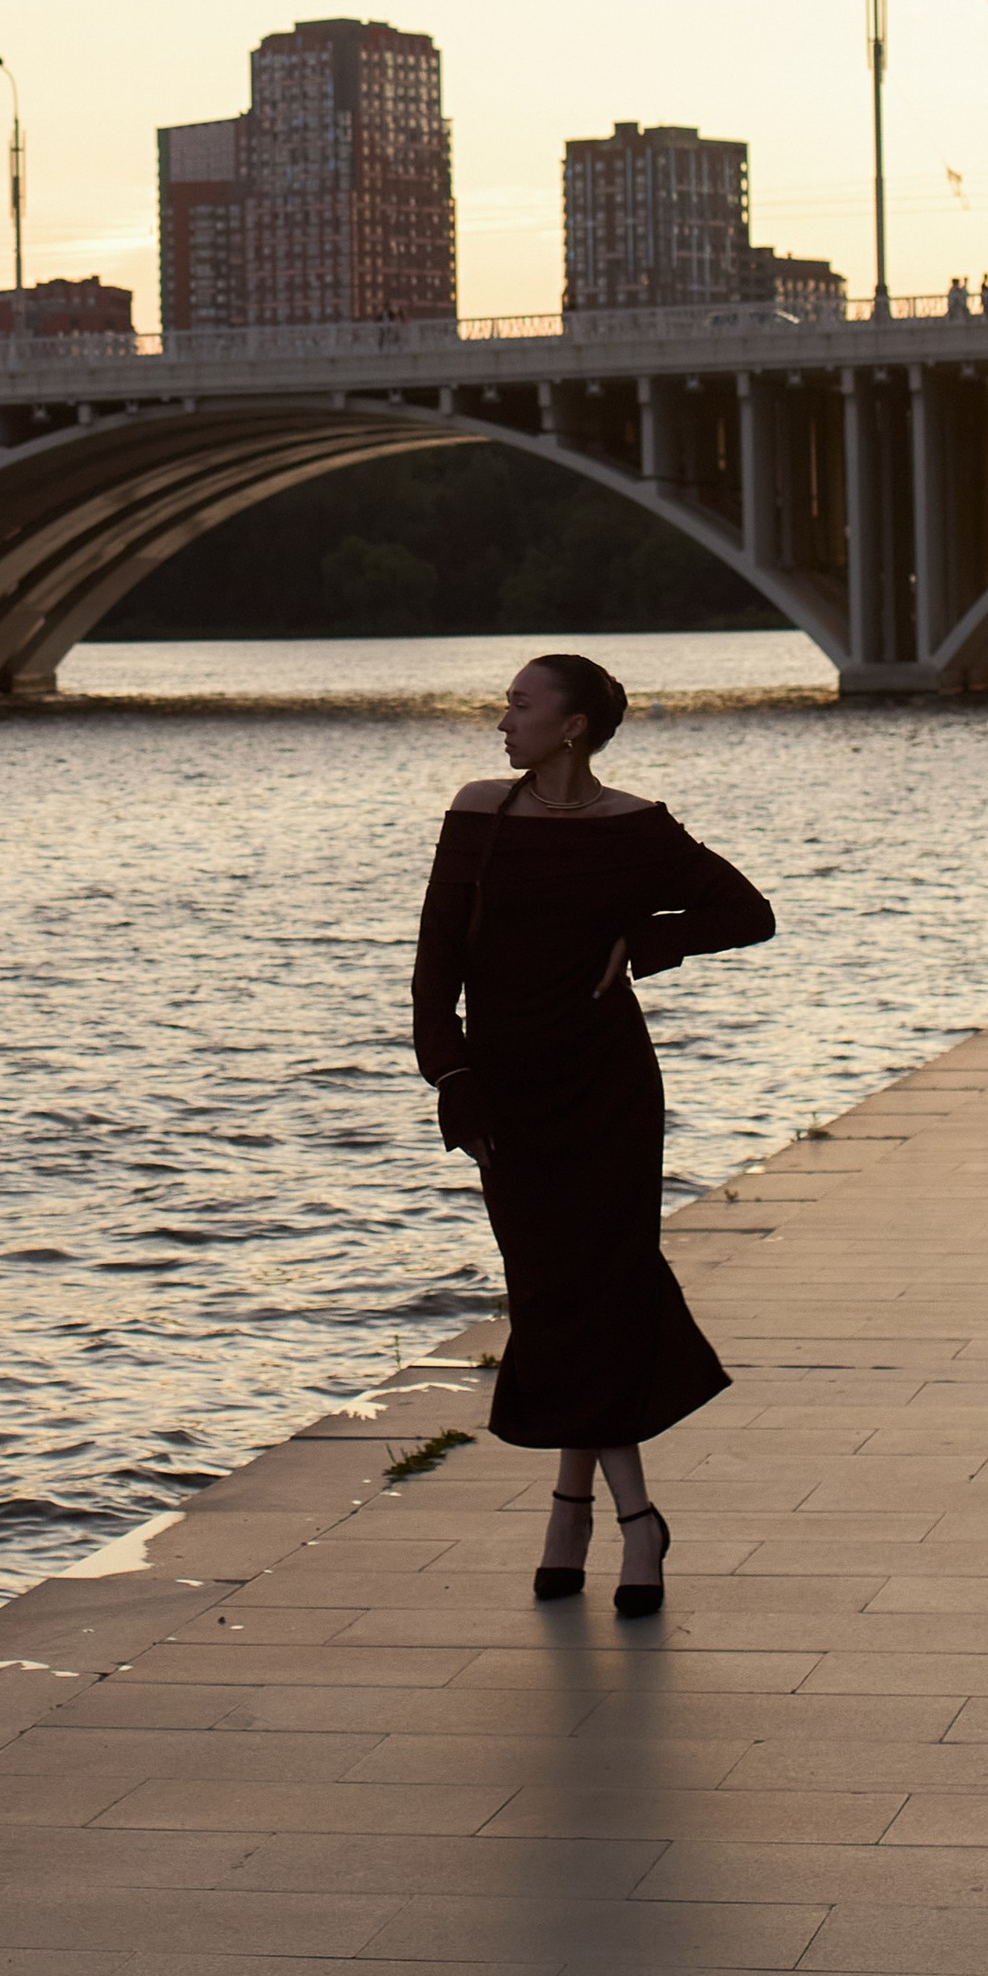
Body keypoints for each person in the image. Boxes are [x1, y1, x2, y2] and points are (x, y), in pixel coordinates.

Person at [411, 651, 775, 1615]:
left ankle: (587, 1513)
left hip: (607, 1087)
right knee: (551, 1288)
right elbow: (435, 962)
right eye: (506, 705)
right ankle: (630, 1518)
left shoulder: (637, 830)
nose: (503, 719)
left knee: (599, 1286)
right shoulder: (479, 812)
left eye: (521, 705)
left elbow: (747, 913)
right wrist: (452, 1080)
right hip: (508, 1091)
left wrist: (647, 942)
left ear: (572, 726)